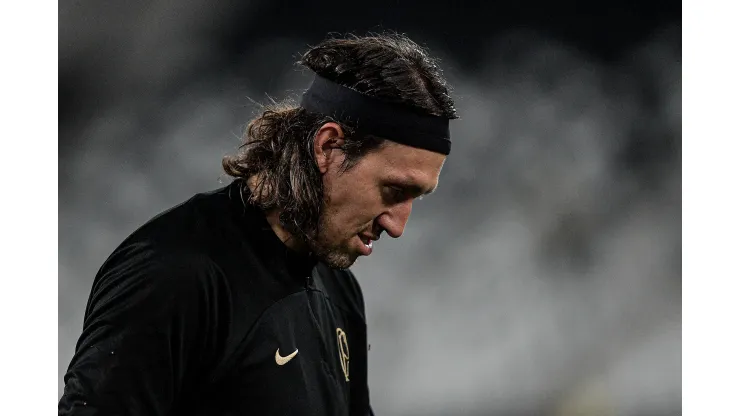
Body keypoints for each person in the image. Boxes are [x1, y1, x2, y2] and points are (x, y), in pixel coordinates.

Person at [59, 32, 458, 415]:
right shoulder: (175, 274)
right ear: (328, 147)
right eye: (393, 190)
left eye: (416, 198)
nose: (398, 225)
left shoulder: (339, 289)